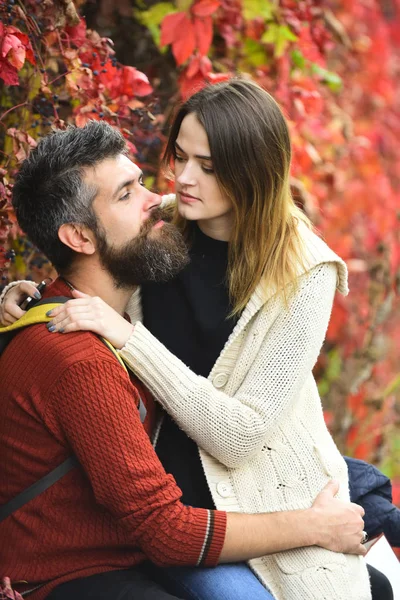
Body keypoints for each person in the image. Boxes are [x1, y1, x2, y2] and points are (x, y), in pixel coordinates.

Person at [0, 120, 369, 600]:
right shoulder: (79, 358)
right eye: (127, 193)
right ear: (80, 238)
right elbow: (167, 531)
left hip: (126, 552)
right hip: (75, 576)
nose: (158, 198)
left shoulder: (112, 304)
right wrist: (315, 527)